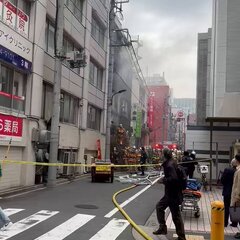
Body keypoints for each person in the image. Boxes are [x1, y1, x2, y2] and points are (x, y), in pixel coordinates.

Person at [153, 148, 186, 240]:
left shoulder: (169, 165)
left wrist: (163, 180)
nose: (160, 155)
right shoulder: (172, 162)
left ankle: (166, 229)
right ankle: (179, 236)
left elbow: (174, 179)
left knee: (171, 213)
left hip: (172, 194)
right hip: (172, 193)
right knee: (175, 215)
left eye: (161, 154)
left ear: (164, 155)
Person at [221, 158, 238, 227]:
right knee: (235, 207)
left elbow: (222, 180)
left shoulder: (227, 170)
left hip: (227, 191)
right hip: (235, 192)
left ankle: (225, 223)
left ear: (231, 163)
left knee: (227, 207)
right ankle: (234, 223)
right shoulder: (237, 171)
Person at [231, 154, 240, 239]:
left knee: (238, 213)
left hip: (238, 197)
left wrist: (237, 197)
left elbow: (239, 185)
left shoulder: (239, 170)